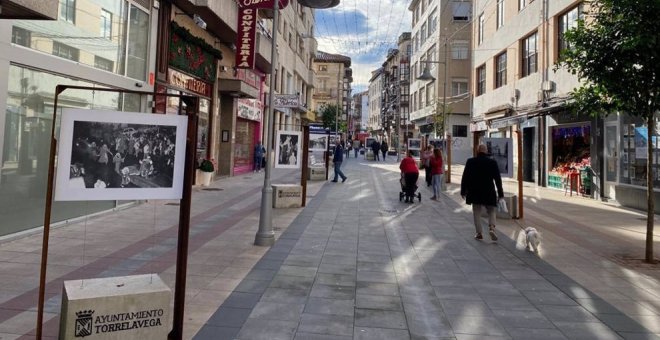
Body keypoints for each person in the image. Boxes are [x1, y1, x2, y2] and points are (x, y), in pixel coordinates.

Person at [461, 144, 504, 241]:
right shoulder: (492, 162)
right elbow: (498, 179)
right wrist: (501, 194)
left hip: (475, 191)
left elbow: (465, 177)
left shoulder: (470, 162)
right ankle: (492, 227)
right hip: (489, 191)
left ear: (477, 151)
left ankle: (479, 233)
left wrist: (463, 191)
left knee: (476, 212)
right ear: (486, 151)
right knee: (491, 210)